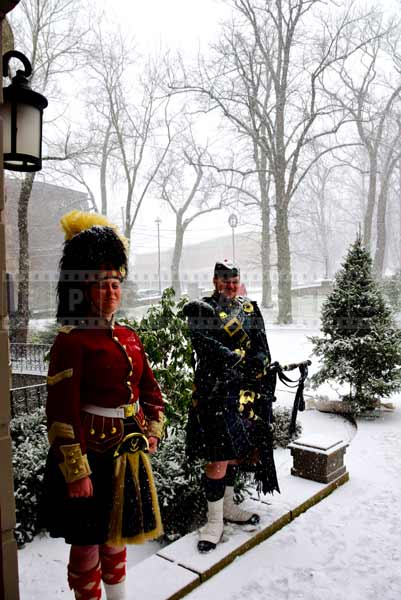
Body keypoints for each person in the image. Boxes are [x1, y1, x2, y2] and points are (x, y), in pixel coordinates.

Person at [41, 210, 165, 600]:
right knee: (87, 546)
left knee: (117, 540)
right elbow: (61, 414)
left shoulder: (129, 336)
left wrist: (153, 429)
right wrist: (75, 471)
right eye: (101, 284)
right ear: (83, 288)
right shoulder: (71, 342)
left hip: (128, 456)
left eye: (116, 283)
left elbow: (151, 390)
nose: (111, 292)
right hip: (90, 460)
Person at [183, 260, 279, 553]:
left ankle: (227, 508)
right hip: (214, 394)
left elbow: (261, 345)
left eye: (234, 280)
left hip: (245, 395)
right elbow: (203, 343)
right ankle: (213, 522)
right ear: (215, 281)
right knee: (216, 458)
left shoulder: (250, 310)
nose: (230, 285)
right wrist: (235, 359)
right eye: (225, 280)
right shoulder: (202, 309)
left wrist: (259, 361)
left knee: (235, 455)